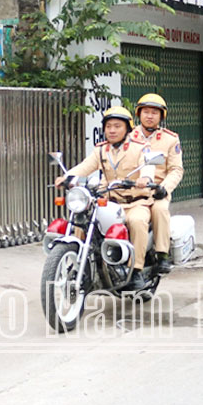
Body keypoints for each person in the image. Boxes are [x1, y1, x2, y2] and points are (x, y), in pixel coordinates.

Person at [55, 107, 156, 288]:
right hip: (109, 202)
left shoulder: (141, 148)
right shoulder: (101, 150)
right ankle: (81, 265)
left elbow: (148, 166)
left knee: (138, 221)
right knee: (83, 220)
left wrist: (145, 178)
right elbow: (85, 167)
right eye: (108, 126)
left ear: (127, 129)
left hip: (135, 202)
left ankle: (137, 271)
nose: (112, 130)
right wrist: (67, 177)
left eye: (117, 126)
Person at [130, 93, 183, 274]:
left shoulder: (170, 139)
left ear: (161, 116)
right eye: (146, 112)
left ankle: (162, 254)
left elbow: (176, 170)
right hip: (132, 190)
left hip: (157, 190)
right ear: (139, 114)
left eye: (154, 112)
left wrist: (165, 188)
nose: (150, 116)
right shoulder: (128, 136)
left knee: (159, 209)